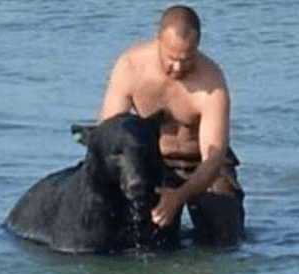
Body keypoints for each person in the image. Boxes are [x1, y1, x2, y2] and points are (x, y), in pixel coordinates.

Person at [98, 5, 244, 245]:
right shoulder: (130, 67)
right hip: (154, 160)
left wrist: (178, 197)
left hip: (203, 163)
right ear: (158, 40)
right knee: (144, 238)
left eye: (187, 60)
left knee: (225, 238)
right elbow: (112, 133)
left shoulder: (212, 82)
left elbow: (214, 156)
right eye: (172, 58)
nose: (178, 68)